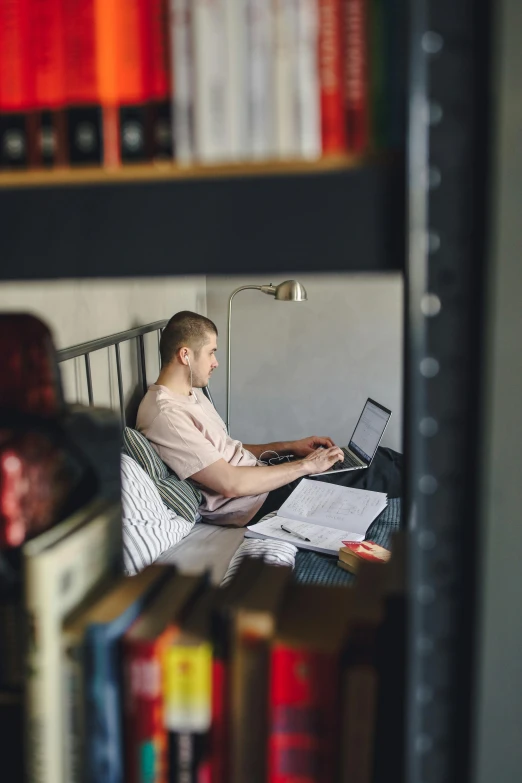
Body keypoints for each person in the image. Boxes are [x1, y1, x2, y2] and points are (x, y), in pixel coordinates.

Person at [137, 311, 402, 527]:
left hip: (261, 481)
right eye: (211, 352)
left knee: (383, 456)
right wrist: (305, 466)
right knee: (379, 471)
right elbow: (231, 484)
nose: (215, 362)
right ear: (185, 355)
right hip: (256, 502)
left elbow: (226, 452)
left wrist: (290, 447)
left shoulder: (190, 393)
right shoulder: (167, 415)